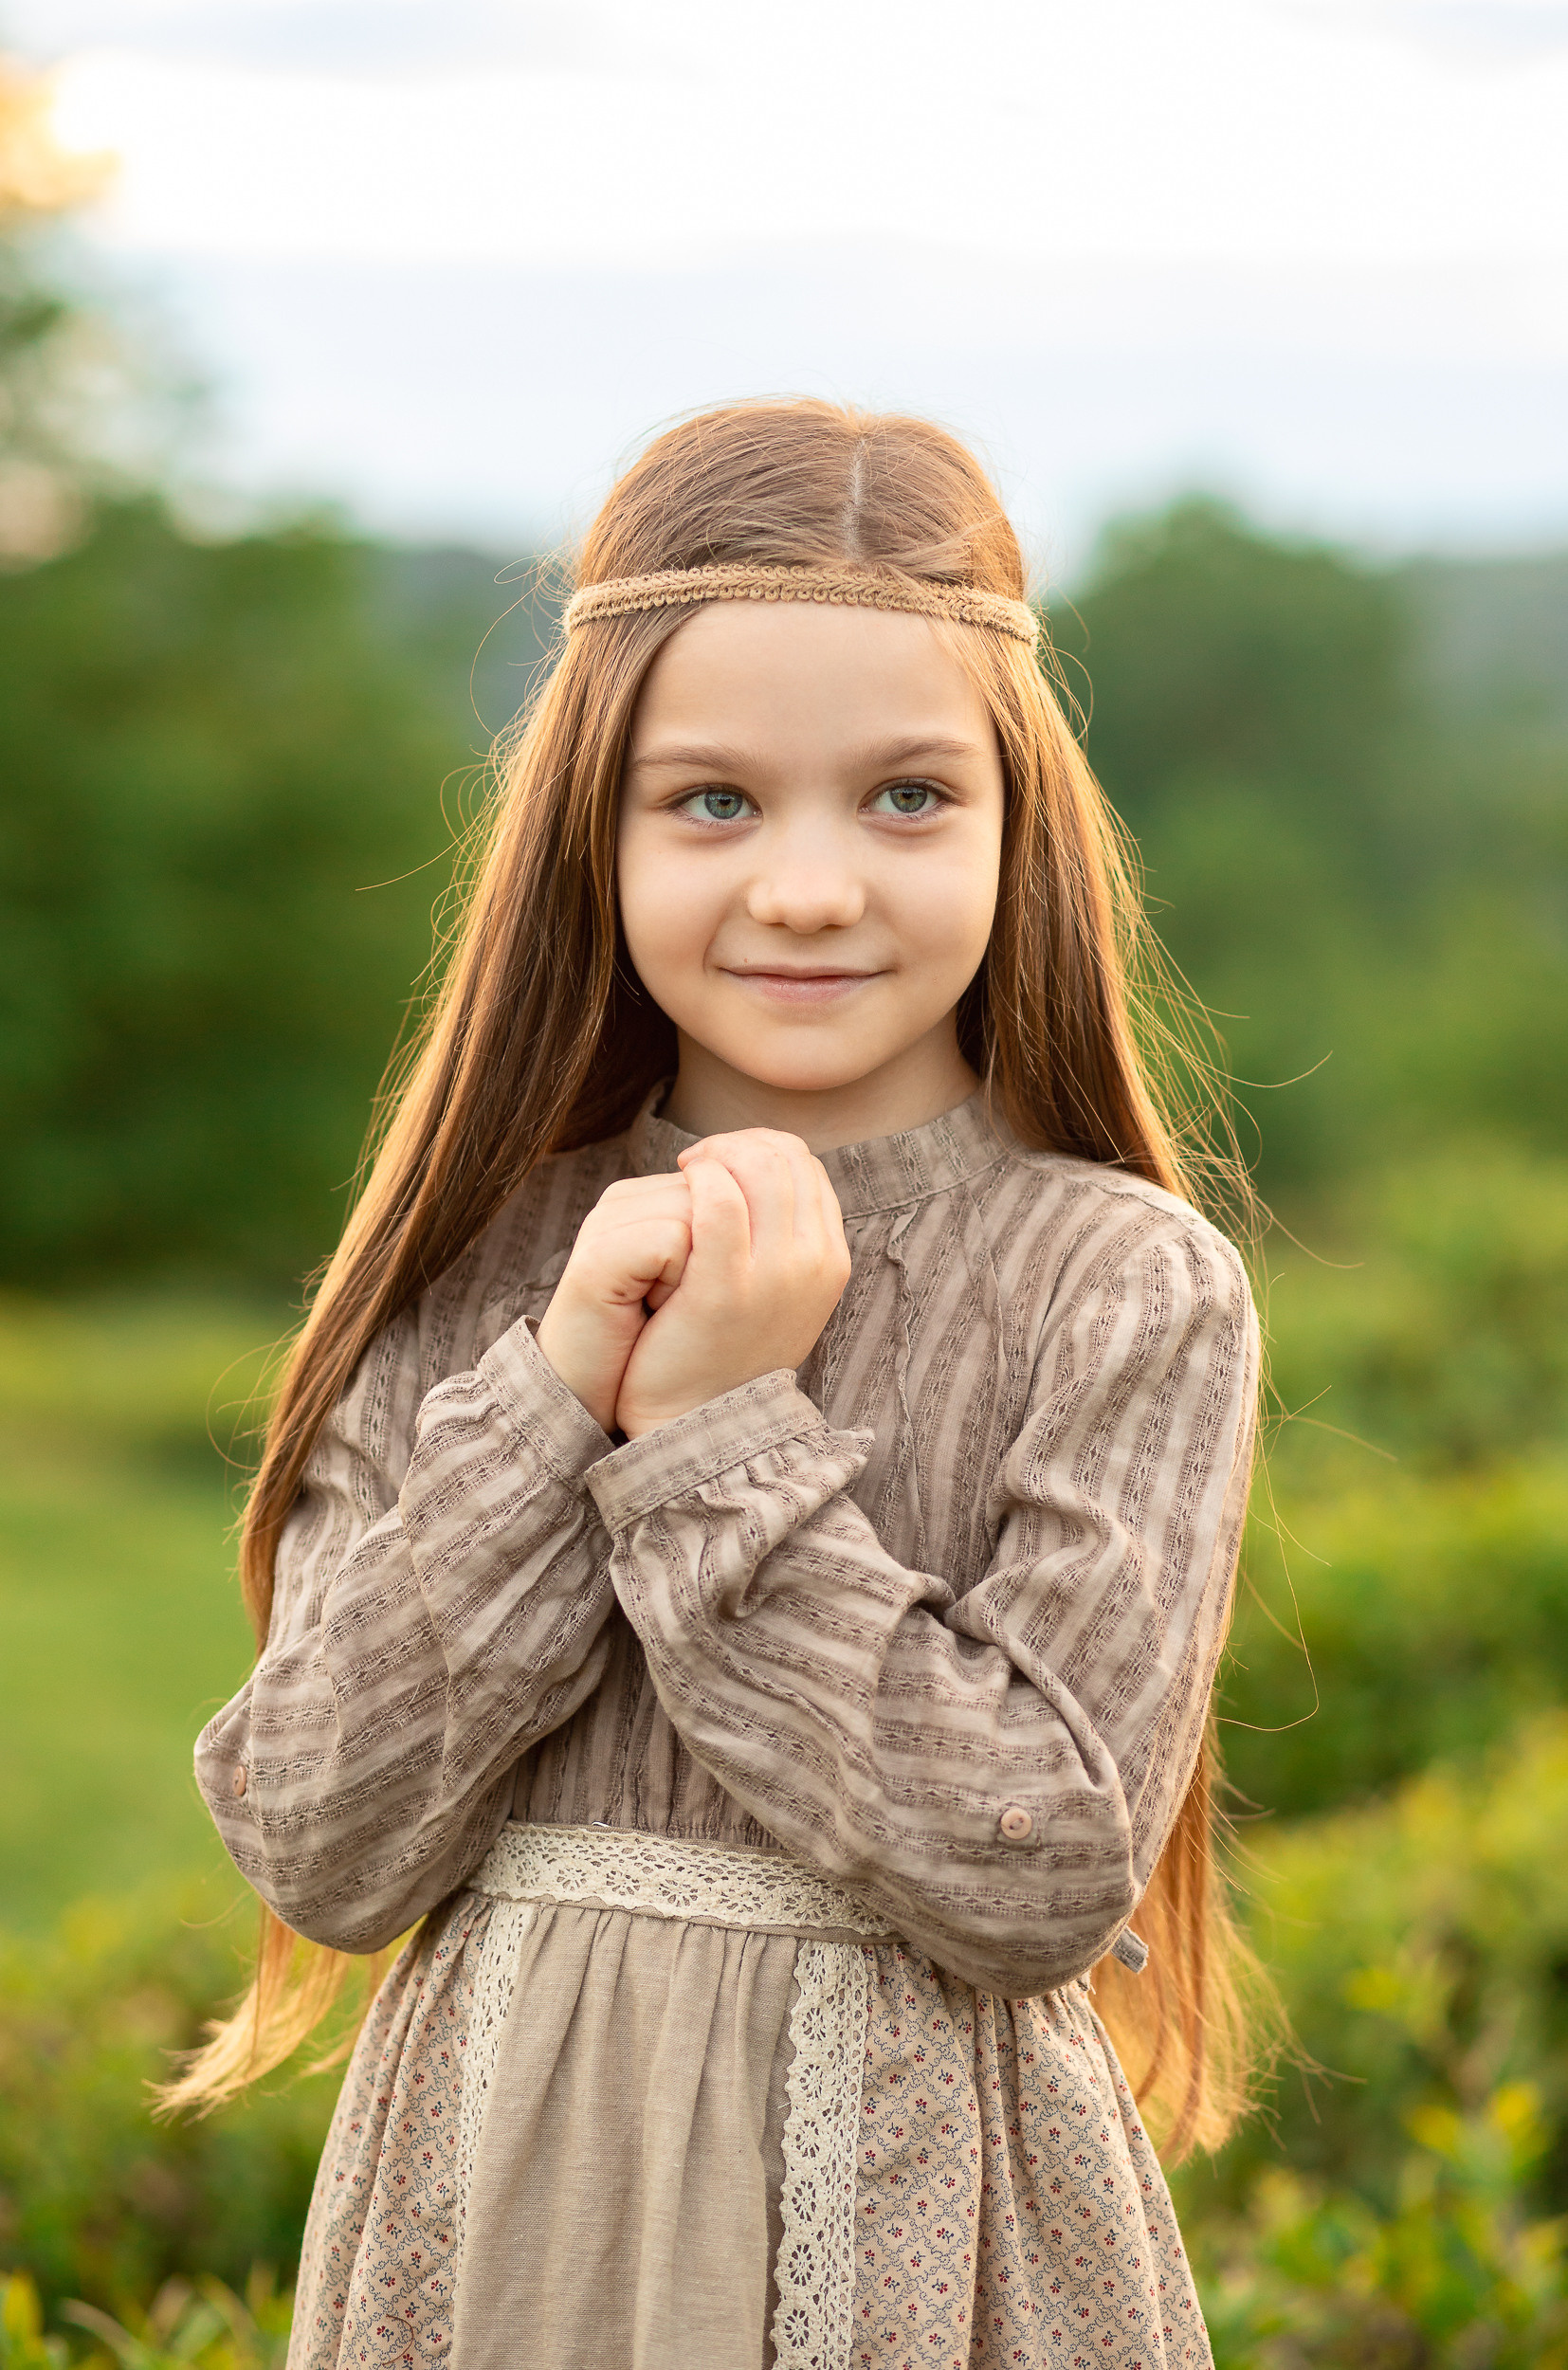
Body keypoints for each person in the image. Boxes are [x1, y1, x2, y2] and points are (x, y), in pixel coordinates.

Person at [177, 398, 1263, 2370]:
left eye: (907, 795)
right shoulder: (474, 1260)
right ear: (588, 827)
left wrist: (709, 1439)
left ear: (1022, 820)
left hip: (925, 2256)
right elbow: (323, 1837)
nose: (808, 886)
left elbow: (1024, 1860)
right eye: (711, 801)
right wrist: (562, 1385)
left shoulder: (1119, 1282)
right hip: (498, 2222)